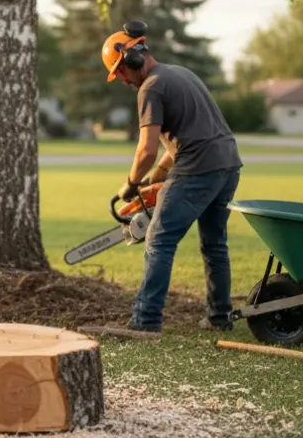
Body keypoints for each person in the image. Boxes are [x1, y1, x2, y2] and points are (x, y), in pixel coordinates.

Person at [102, 21, 243, 334]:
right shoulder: (180, 73)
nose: (123, 81)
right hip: (228, 165)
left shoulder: (150, 88)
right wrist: (160, 175)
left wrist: (132, 184)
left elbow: (146, 150)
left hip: (198, 168)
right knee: (215, 245)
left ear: (132, 61)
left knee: (159, 240)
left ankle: (145, 321)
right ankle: (219, 318)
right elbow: (189, 133)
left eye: (121, 73)